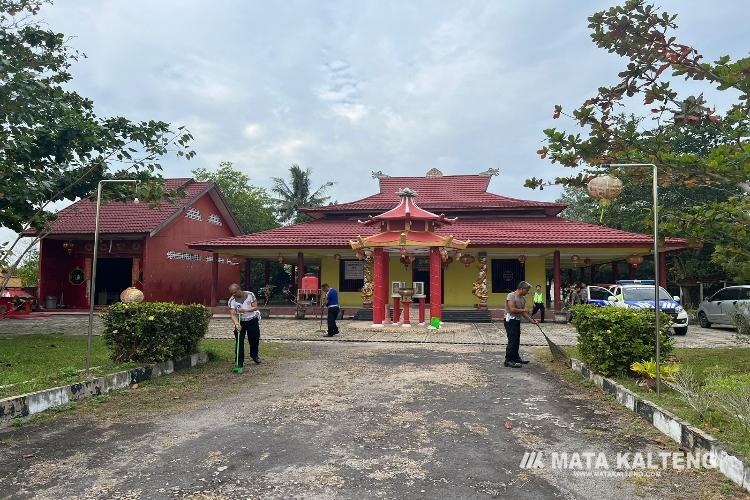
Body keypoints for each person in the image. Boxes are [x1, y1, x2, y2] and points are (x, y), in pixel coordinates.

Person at [504, 281, 538, 368]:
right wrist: (523, 310)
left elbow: (524, 313)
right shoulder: (511, 296)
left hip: (517, 321)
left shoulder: (523, 299)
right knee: (512, 339)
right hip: (510, 320)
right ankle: (508, 360)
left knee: (517, 339)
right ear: (521, 289)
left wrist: (531, 321)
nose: (527, 292)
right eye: (527, 290)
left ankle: (515, 358)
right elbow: (512, 309)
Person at [228, 283, 262, 368]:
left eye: (235, 292)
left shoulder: (250, 295)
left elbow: (255, 307)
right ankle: (239, 361)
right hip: (240, 321)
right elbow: (233, 314)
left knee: (254, 339)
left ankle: (254, 355)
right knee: (239, 341)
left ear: (239, 289)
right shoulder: (232, 300)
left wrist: (245, 310)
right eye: (232, 293)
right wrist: (236, 324)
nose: (233, 294)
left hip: (252, 320)